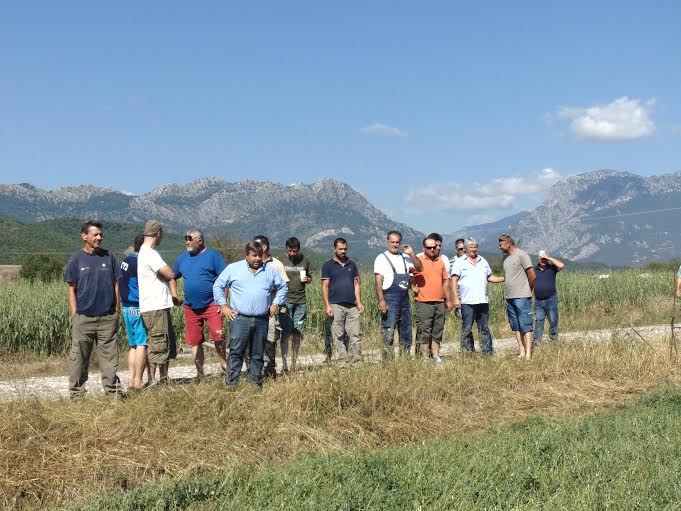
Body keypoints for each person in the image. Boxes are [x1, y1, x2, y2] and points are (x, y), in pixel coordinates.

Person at [213, 241, 288, 389]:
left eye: (260, 255)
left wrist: (275, 303)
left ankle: (254, 383)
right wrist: (223, 305)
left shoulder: (270, 270)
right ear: (247, 255)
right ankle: (231, 383)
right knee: (236, 351)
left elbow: (283, 287)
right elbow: (218, 285)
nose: (257, 259)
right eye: (254, 255)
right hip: (239, 318)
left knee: (257, 352)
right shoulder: (233, 268)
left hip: (261, 318)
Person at [64, 220, 122, 397]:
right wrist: (74, 314)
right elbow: (71, 288)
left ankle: (113, 393)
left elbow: (116, 284)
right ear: (84, 236)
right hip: (83, 318)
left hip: (107, 318)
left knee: (110, 358)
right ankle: (77, 394)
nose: (99, 237)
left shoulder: (109, 257)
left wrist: (117, 309)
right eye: (95, 234)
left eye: (101, 235)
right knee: (79, 358)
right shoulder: (76, 259)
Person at [173, 228, 228, 379]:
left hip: (212, 304)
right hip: (190, 307)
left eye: (190, 238)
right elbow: (172, 276)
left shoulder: (213, 256)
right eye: (185, 238)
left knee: (218, 335)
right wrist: (174, 294)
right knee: (194, 341)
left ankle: (224, 365)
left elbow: (225, 278)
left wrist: (223, 303)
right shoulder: (182, 258)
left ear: (200, 240)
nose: (187, 241)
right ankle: (200, 373)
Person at [138, 220, 181, 383]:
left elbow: (165, 274)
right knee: (158, 343)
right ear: (158, 233)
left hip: (155, 306)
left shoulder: (144, 252)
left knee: (163, 342)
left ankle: (162, 378)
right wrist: (164, 274)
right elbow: (170, 274)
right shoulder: (150, 254)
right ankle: (153, 380)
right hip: (155, 306)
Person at [374, 230, 423, 359]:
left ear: (400, 243)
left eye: (397, 242)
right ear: (387, 242)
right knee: (388, 330)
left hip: (404, 300)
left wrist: (411, 253)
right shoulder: (381, 258)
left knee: (406, 330)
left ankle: (405, 358)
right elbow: (378, 282)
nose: (395, 245)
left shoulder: (405, 257)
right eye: (392, 242)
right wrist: (381, 300)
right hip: (389, 299)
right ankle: (388, 360)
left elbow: (420, 268)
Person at [450, 238, 504, 354]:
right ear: (465, 249)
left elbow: (489, 277)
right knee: (467, 329)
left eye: (475, 247)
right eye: (471, 247)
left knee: (484, 328)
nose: (474, 249)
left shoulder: (482, 261)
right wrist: (455, 298)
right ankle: (467, 353)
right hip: (467, 302)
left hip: (482, 301)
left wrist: (504, 278)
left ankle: (487, 352)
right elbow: (453, 281)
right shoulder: (459, 262)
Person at [321, 238, 364, 366]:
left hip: (352, 304)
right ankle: (342, 361)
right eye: (340, 249)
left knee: (355, 333)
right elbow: (325, 286)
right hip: (335, 304)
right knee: (338, 334)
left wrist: (359, 302)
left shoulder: (352, 264)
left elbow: (356, 284)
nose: (343, 251)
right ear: (334, 249)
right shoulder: (328, 265)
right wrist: (327, 305)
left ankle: (357, 361)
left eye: (345, 249)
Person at [119, 234, 152, 390]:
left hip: (126, 306)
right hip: (137, 306)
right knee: (142, 344)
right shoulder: (139, 262)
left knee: (132, 345)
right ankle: (138, 381)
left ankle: (131, 380)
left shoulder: (125, 261)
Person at [253, 235, 289, 378]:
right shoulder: (250, 263)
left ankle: (269, 368)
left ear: (264, 247)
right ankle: (254, 368)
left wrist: (275, 302)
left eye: (256, 245)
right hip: (254, 309)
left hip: (271, 309)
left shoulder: (276, 264)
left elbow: (284, 285)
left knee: (270, 337)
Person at [413, 236, 452, 363]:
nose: (432, 249)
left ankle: (435, 356)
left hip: (439, 301)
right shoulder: (418, 260)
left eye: (434, 247)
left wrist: (448, 299)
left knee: (437, 329)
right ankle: (424, 357)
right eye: (429, 247)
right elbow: (408, 275)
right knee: (424, 330)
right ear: (424, 248)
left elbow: (445, 282)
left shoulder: (440, 261)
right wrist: (412, 286)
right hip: (423, 301)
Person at [498, 234, 536, 360]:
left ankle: (528, 353)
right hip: (509, 297)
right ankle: (521, 351)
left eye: (501, 244)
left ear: (508, 243)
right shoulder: (506, 258)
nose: (499, 247)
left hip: (522, 297)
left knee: (526, 324)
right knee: (516, 326)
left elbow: (532, 275)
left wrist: (527, 290)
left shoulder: (522, 255)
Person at [281, 237, 313, 372]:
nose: (292, 253)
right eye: (290, 251)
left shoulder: (305, 260)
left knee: (297, 333)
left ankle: (294, 363)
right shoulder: (281, 261)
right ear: (286, 249)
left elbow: (310, 278)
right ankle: (284, 365)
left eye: (294, 251)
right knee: (285, 333)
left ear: (299, 249)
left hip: (300, 301)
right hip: (285, 301)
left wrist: (307, 279)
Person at [533, 250, 565, 344]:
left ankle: (553, 340)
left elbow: (561, 265)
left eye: (544, 258)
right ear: (538, 259)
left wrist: (549, 257)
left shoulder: (552, 268)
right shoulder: (534, 270)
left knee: (553, 320)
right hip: (538, 300)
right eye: (541, 258)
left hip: (551, 299)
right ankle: (537, 341)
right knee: (539, 321)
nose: (543, 260)